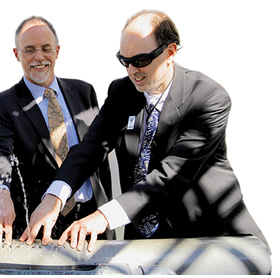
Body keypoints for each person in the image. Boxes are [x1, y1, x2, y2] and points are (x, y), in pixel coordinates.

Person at [28, 10, 270, 253]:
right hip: (150, 244)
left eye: (142, 60)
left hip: (215, 240)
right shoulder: (122, 92)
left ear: (170, 52)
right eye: (125, 60)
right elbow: (91, 148)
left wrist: (103, 216)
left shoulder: (208, 98)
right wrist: (54, 198)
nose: (133, 70)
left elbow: (172, 175)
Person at [0, 16, 114, 250]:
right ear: (16, 54)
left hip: (91, 220)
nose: (39, 57)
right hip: (41, 228)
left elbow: (97, 148)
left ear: (57, 50)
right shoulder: (3, 104)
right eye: (29, 50)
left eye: (45, 49)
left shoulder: (84, 91)